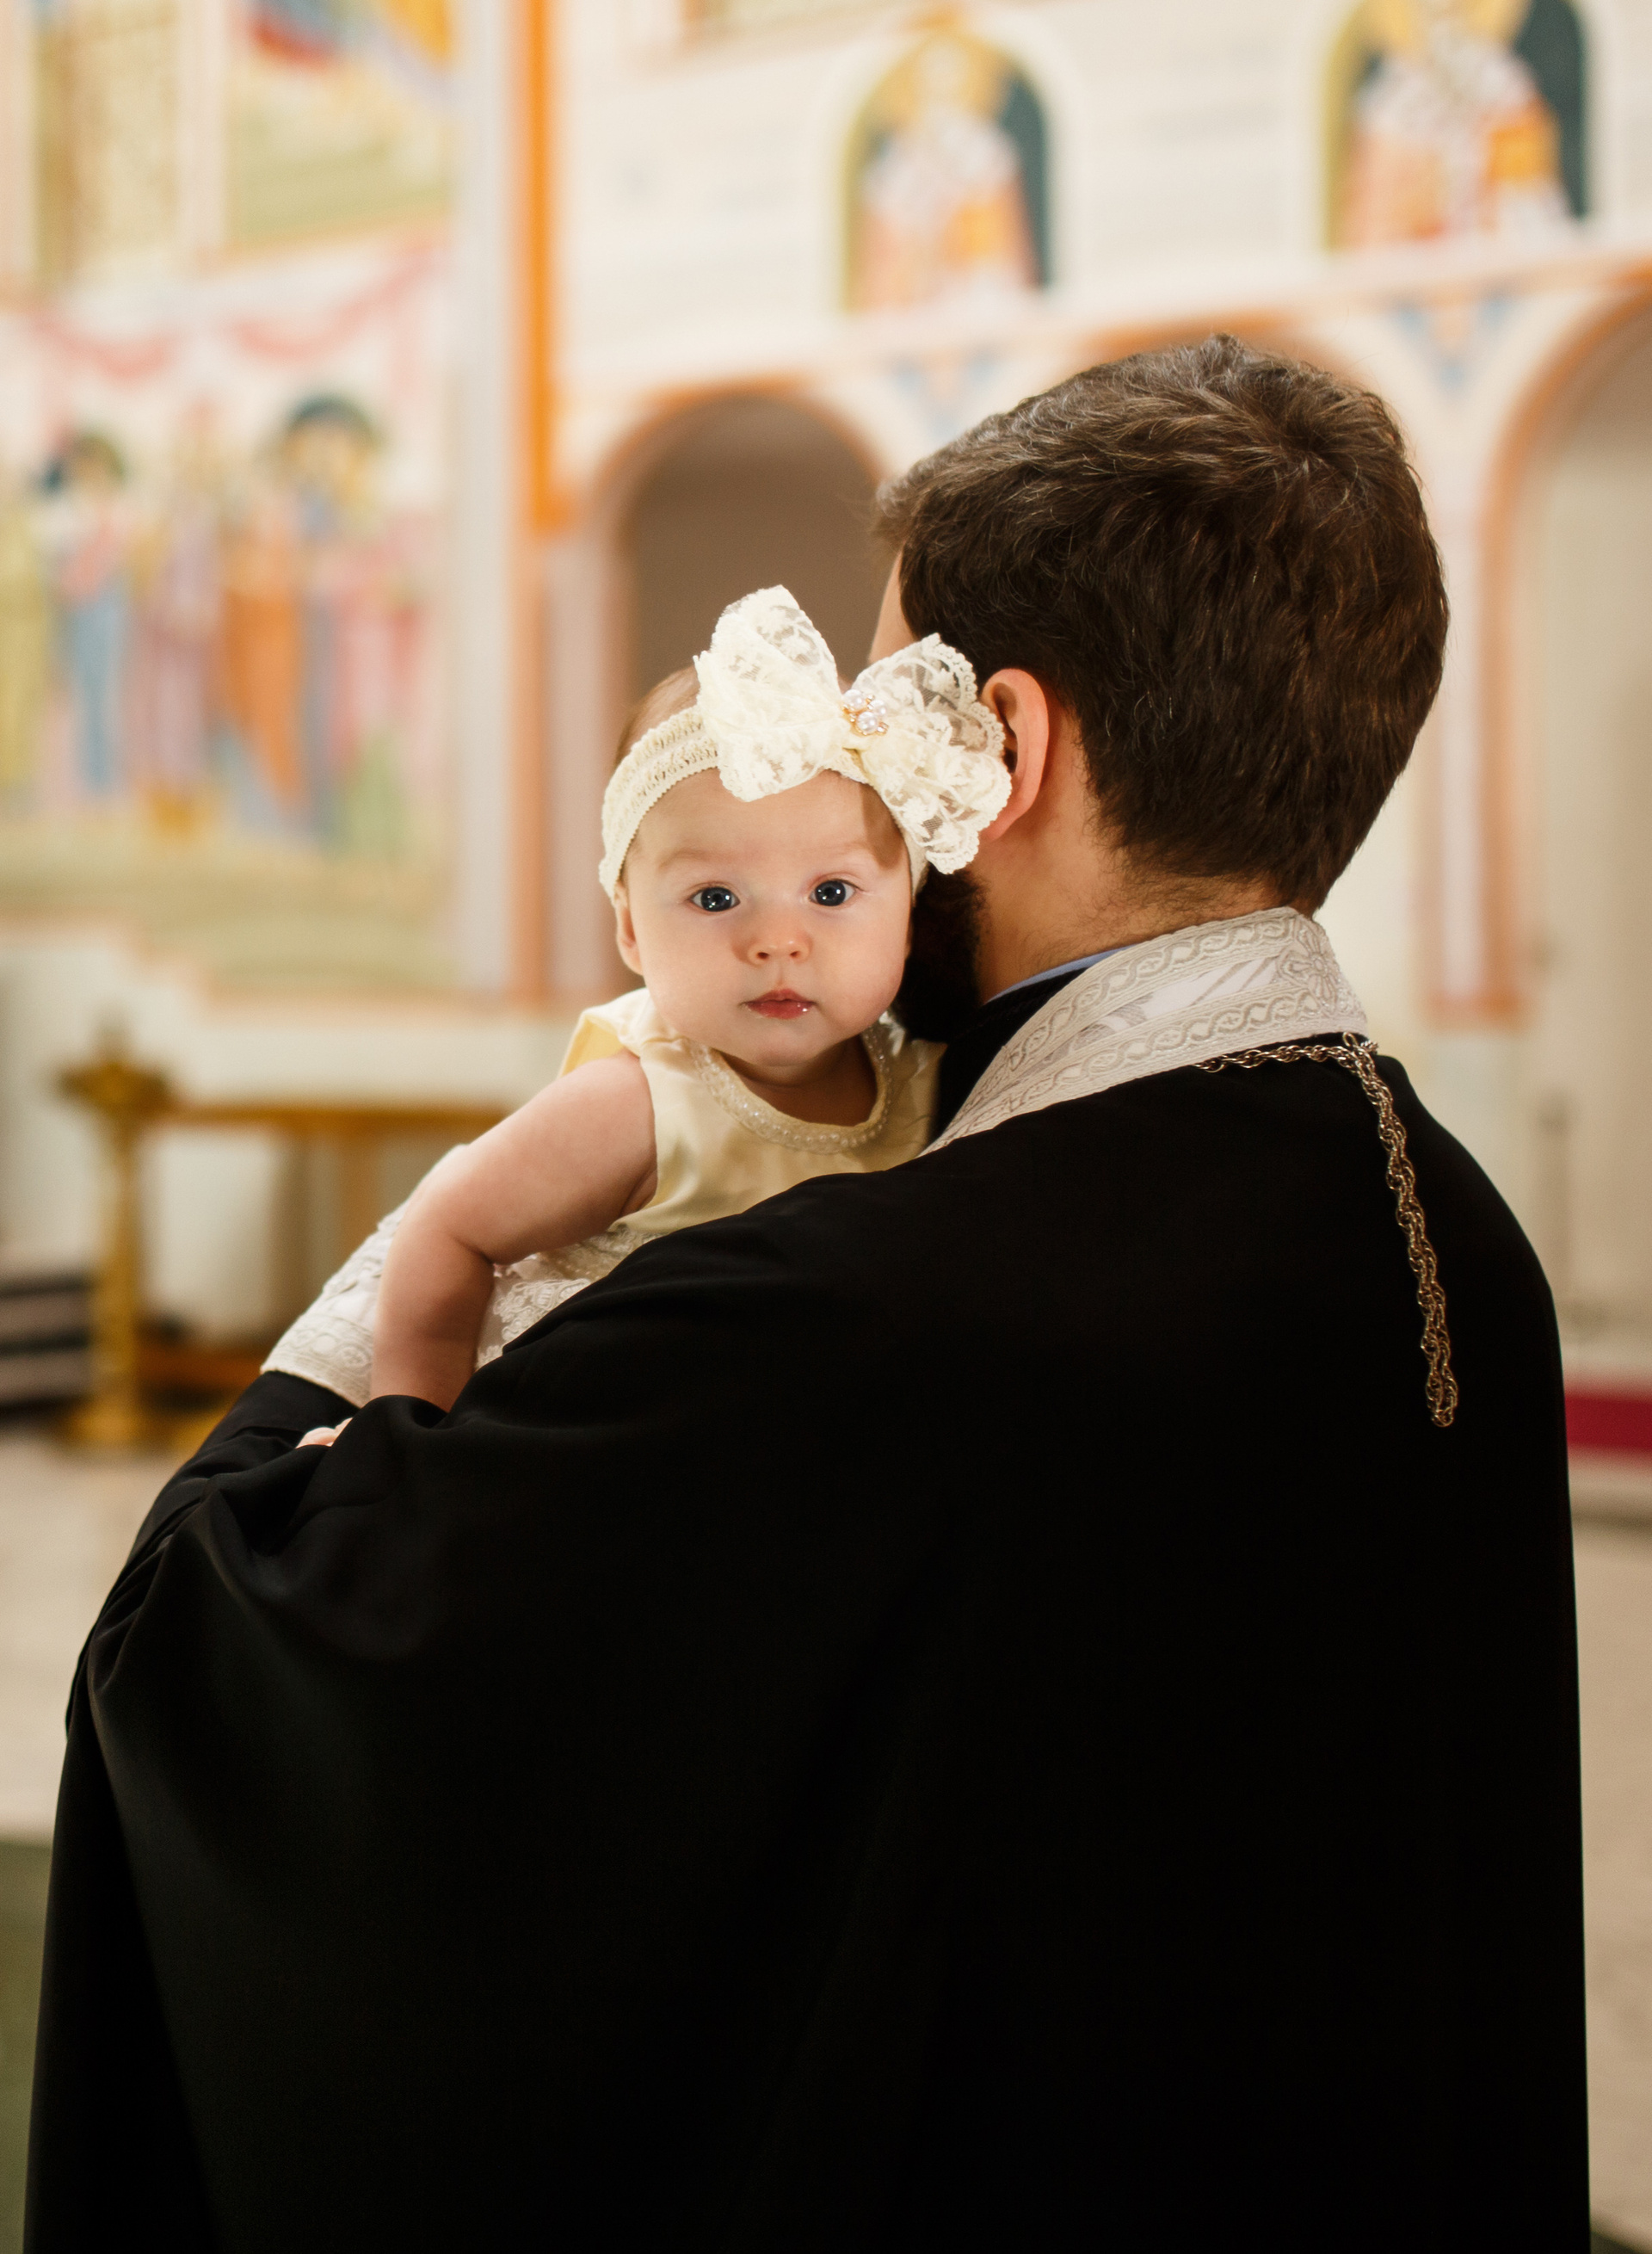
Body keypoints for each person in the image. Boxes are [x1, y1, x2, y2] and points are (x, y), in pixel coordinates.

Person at [27, 337, 1587, 2252]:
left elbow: (213, 1640)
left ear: (1003, 746)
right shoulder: (1452, 1234)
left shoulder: (857, 1308)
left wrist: (510, 1186)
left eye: (874, 705)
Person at [273, 585, 1001, 1420]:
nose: (778, 942)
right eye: (716, 898)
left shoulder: (934, 1082)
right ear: (629, 929)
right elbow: (448, 1225)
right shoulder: (641, 1103)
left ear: (908, 917)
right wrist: (410, 1424)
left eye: (831, 892)